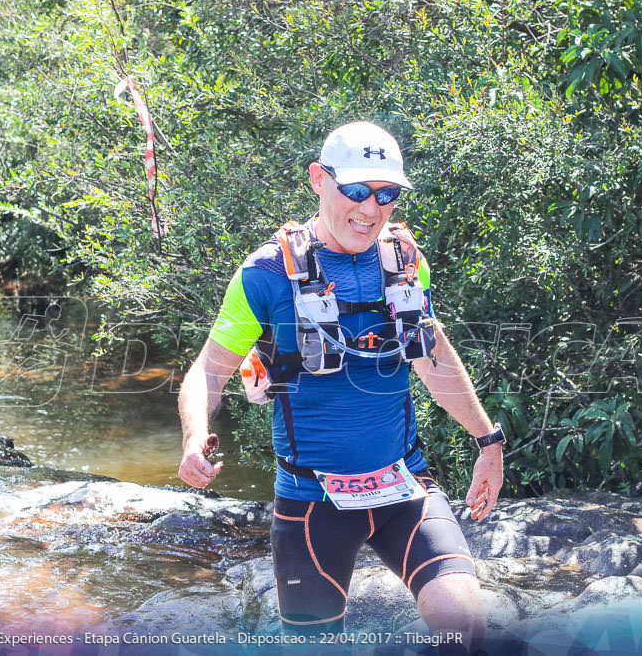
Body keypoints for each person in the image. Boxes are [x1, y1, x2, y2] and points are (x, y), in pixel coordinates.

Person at [177, 121, 504, 653]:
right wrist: (195, 437)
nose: (371, 208)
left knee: (465, 633)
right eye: (355, 190)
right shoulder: (264, 275)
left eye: (387, 193)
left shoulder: (405, 261)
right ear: (318, 180)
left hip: (404, 486)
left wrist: (488, 443)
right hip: (312, 503)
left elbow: (434, 355)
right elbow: (207, 373)